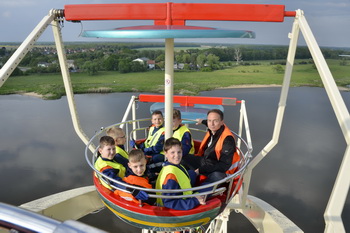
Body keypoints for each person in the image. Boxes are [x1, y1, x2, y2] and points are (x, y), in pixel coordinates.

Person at [185, 109, 239, 184]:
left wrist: (201, 170)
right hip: (207, 161)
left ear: (222, 122)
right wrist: (202, 121)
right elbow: (210, 123)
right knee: (183, 158)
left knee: (217, 177)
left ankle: (200, 193)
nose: (212, 124)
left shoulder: (228, 140)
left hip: (222, 169)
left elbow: (223, 165)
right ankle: (183, 181)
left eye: (215, 121)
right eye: (209, 120)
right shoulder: (214, 128)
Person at [156, 137, 205, 210]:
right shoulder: (170, 175)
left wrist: (194, 173)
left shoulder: (174, 166)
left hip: (186, 199)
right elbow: (169, 202)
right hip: (177, 209)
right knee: (210, 186)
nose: (177, 155)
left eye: (179, 152)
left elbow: (183, 180)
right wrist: (195, 201)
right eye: (172, 152)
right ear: (166, 153)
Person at [95, 136, 148, 201]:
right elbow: (115, 182)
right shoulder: (104, 167)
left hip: (127, 179)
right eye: (108, 149)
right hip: (119, 188)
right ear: (100, 151)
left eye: (114, 148)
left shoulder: (113, 157)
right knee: (146, 195)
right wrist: (133, 190)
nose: (112, 152)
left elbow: (128, 164)